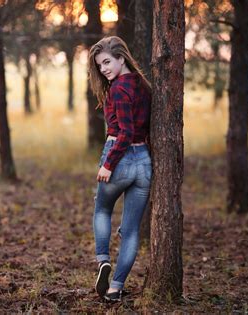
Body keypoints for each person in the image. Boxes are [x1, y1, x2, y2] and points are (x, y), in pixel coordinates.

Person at [88, 36, 152, 302]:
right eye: (99, 65)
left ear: (121, 59)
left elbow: (124, 133)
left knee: (102, 209)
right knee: (132, 230)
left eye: (106, 62)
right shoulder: (145, 86)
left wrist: (108, 164)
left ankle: (103, 260)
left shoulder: (117, 89)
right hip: (144, 163)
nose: (103, 70)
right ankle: (115, 287)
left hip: (121, 157)